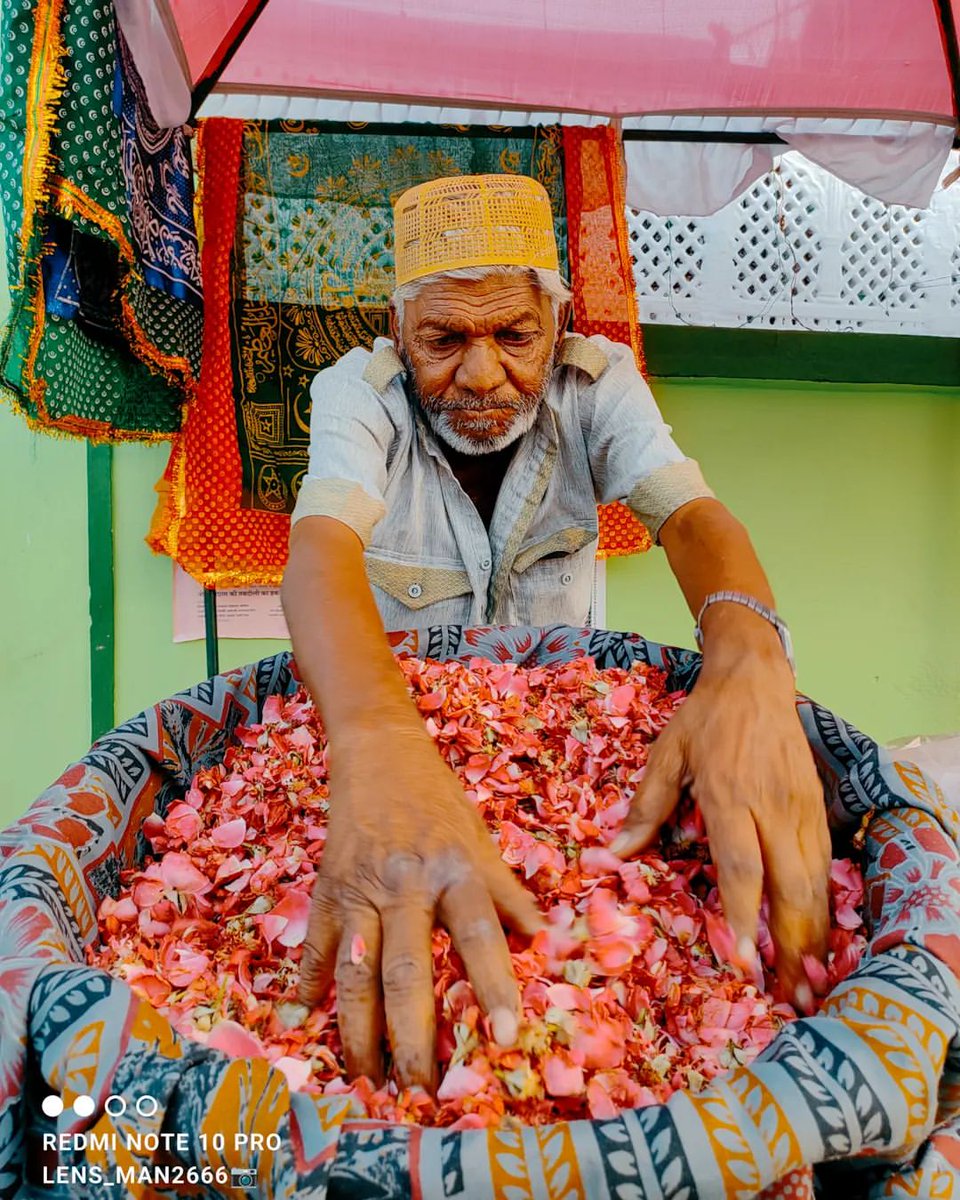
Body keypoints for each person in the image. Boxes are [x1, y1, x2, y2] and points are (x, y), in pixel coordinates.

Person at [281, 174, 830, 1093]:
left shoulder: (596, 381)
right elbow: (320, 552)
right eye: (445, 340)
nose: (484, 376)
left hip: (555, 748)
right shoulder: (358, 393)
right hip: (389, 752)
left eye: (515, 336)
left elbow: (693, 519)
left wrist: (749, 657)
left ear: (557, 319)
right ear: (397, 327)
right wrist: (375, 742)